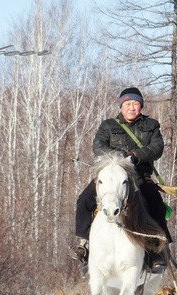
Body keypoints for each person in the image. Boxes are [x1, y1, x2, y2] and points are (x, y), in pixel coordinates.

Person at [70, 87, 171, 274]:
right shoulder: (108, 126)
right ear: (121, 106)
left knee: (156, 204)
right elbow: (98, 146)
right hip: (110, 174)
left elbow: (157, 148)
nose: (131, 108)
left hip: (139, 175)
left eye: (135, 104)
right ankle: (84, 244)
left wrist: (135, 155)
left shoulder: (151, 125)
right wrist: (116, 155)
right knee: (84, 200)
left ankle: (157, 250)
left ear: (140, 106)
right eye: (127, 104)